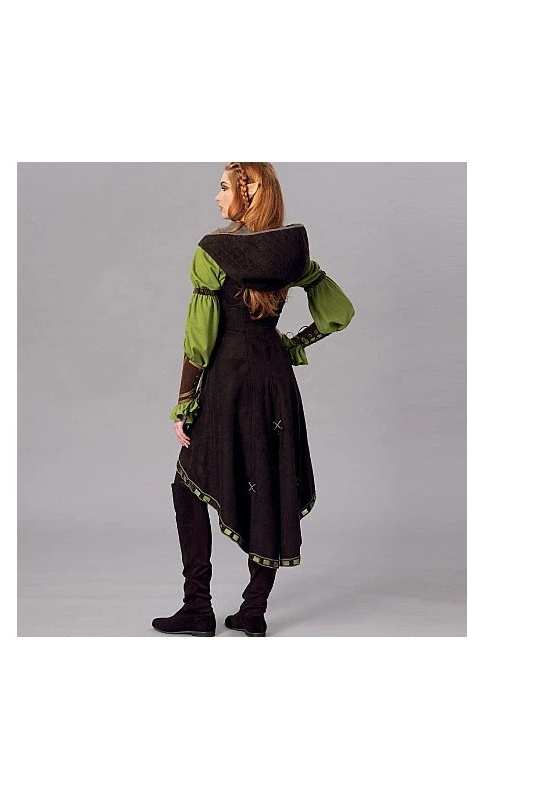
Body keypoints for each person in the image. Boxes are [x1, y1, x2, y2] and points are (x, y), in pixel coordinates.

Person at [152, 162, 355, 637]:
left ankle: (197, 608)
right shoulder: (292, 253)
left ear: (248, 192)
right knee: (269, 482)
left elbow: (199, 341)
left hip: (228, 381)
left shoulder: (213, 251)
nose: (217, 196)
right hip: (275, 381)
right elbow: (339, 312)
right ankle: (254, 610)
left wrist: (184, 401)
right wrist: (296, 342)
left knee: (187, 487)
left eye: (224, 187)